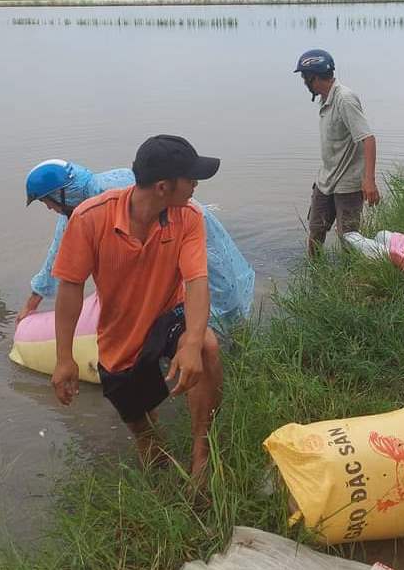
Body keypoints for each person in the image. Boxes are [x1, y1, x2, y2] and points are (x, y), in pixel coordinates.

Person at [49, 136, 224, 484]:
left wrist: (190, 342)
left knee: (206, 346)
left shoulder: (188, 216)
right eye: (190, 178)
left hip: (169, 312)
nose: (195, 185)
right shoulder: (89, 219)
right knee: (143, 430)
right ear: (163, 187)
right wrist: (64, 357)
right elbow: (70, 287)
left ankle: (202, 455)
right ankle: (155, 456)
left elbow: (196, 281)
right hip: (121, 335)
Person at [18, 159, 254, 328]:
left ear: (61, 194)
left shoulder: (106, 197)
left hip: (191, 232)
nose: (49, 208)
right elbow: (58, 254)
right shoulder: (79, 208)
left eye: (47, 202)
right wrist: (33, 301)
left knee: (216, 288)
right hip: (188, 232)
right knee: (212, 296)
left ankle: (227, 347)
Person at [293, 49, 380, 256]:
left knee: (349, 238)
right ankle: (315, 275)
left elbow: (368, 139)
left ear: (312, 77)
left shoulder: (345, 99)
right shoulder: (325, 99)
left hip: (348, 184)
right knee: (316, 231)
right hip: (326, 180)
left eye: (304, 77)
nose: (304, 82)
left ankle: (350, 280)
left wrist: (369, 180)